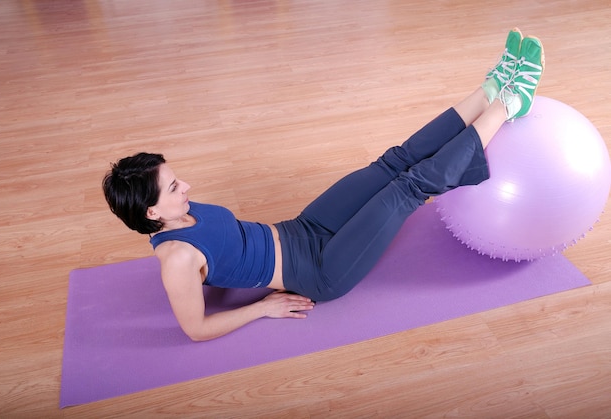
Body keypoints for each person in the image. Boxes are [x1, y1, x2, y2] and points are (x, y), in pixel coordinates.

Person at [103, 29, 544, 341]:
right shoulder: (176, 261)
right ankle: (509, 103)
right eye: (175, 186)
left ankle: (488, 90)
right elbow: (195, 330)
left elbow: (220, 251)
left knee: (392, 163)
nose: (187, 185)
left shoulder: (177, 214)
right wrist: (261, 306)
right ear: (152, 213)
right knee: (407, 188)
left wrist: (223, 269)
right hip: (317, 271)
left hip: (301, 229)